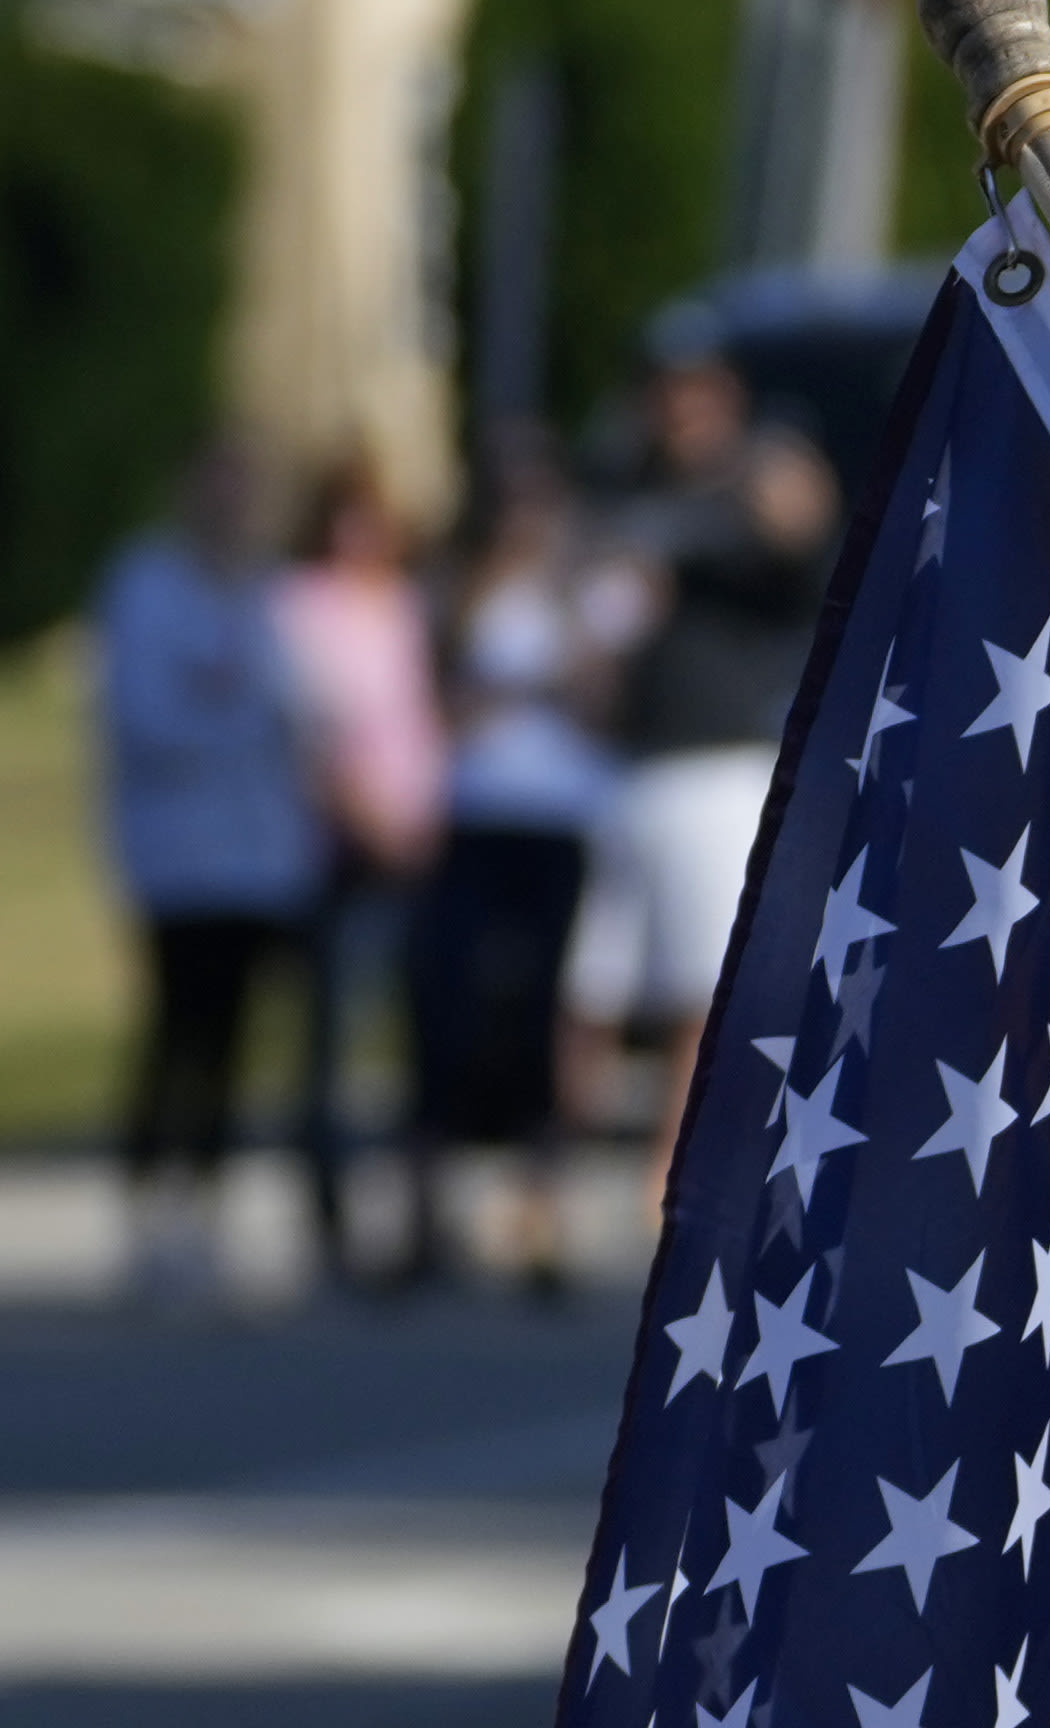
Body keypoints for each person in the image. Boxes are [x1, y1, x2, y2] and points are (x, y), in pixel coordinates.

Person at [570, 340, 836, 1172]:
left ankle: (666, 1181)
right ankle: (564, 1175)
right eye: (666, 393)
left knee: (701, 992)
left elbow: (801, 523)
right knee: (592, 992)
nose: (680, 411)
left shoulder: (761, 479)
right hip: (631, 769)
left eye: (697, 393)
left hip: (724, 768)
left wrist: (773, 485)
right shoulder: (627, 491)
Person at [91, 441, 327, 1307]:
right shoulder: (146, 586)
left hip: (260, 857)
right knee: (175, 1030)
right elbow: (149, 717)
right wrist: (237, 717)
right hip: (176, 855)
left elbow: (300, 714)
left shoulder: (271, 593)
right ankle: (151, 1209)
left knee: (230, 1041)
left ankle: (208, 1206)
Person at [409, 436, 640, 1294]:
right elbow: (450, 706)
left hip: (562, 818)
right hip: (475, 815)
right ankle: (426, 1204)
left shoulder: (586, 593)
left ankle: (541, 1210)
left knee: (549, 1009)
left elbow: (598, 698)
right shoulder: (461, 588)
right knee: (452, 1006)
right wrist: (523, 684)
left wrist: (539, 668)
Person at [276, 449, 448, 1289]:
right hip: (341, 845)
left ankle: (421, 1212)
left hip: (417, 832)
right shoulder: (300, 607)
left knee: (422, 1028)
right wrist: (366, 816)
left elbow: (419, 716)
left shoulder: (404, 604)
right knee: (336, 1035)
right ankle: (329, 1213)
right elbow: (312, 727)